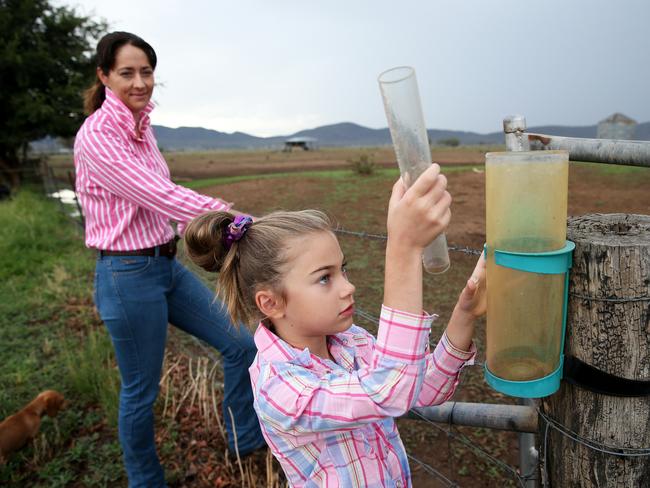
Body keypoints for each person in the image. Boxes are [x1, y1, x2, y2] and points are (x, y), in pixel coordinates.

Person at [183, 163, 486, 487]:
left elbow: (421, 389)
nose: (348, 287)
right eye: (325, 277)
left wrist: (464, 313)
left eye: (343, 270)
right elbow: (391, 392)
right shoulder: (280, 387)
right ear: (270, 303)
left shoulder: (349, 341)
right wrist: (403, 249)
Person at [73, 31, 265, 487]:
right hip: (126, 275)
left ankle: (245, 442)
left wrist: (209, 239)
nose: (139, 82)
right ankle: (146, 481)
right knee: (142, 391)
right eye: (127, 73)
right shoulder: (99, 136)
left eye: (146, 72)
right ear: (104, 77)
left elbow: (162, 206)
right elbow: (159, 195)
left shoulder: (143, 128)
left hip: (165, 266)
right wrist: (232, 220)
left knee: (242, 344)